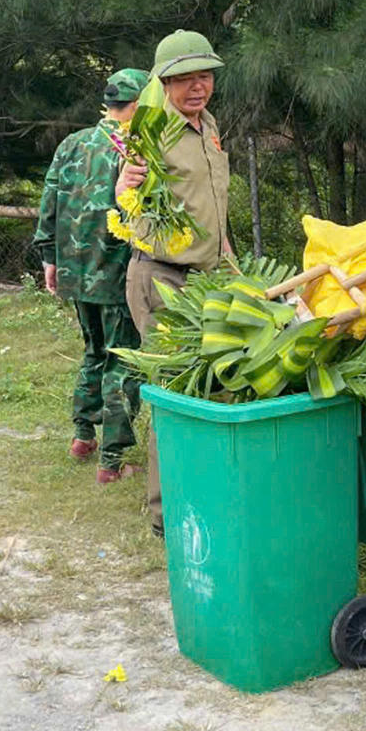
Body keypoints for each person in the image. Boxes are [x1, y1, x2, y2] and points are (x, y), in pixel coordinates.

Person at [117, 29, 234, 538]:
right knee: (173, 392)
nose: (196, 87)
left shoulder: (208, 125)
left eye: (203, 76)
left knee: (216, 383)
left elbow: (213, 207)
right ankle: (166, 513)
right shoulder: (149, 130)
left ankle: (205, 488)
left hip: (210, 276)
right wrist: (125, 185)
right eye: (183, 78)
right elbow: (128, 189)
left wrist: (231, 264)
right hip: (162, 276)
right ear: (162, 83)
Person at [34, 68, 149, 483]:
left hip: (74, 270)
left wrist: (49, 257)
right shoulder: (135, 147)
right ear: (136, 106)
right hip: (117, 274)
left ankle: (83, 436)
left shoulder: (71, 144)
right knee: (123, 361)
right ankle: (112, 462)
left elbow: (50, 199)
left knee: (92, 350)